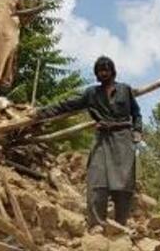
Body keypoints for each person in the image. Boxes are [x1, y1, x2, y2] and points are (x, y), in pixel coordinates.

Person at [33, 56, 143, 227]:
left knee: (123, 184)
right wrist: (42, 113)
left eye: (106, 70)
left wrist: (137, 131)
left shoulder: (125, 90)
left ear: (113, 72)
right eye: (100, 71)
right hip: (102, 138)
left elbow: (136, 113)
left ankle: (120, 226)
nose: (103, 73)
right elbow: (68, 105)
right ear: (97, 74)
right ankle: (97, 225)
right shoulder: (91, 93)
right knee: (96, 180)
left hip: (123, 138)